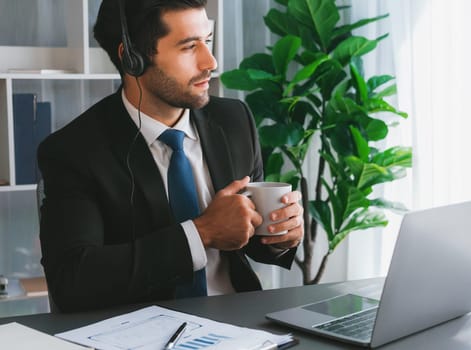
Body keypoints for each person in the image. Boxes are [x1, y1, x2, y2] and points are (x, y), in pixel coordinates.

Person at [37, 0, 304, 312]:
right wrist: (202, 232)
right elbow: (73, 280)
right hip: (139, 332)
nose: (211, 62)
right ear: (132, 57)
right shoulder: (74, 151)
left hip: (241, 322)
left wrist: (280, 234)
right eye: (189, 47)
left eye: (207, 41)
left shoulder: (234, 120)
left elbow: (248, 238)